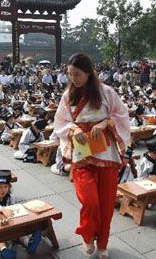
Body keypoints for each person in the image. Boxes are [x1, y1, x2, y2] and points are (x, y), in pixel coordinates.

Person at [53, 54, 130, 258]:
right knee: (90, 201)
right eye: (69, 74)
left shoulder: (106, 92)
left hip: (105, 150)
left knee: (106, 204)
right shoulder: (68, 95)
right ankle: (88, 236)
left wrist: (105, 122)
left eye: (77, 74)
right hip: (82, 149)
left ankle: (103, 242)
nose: (73, 79)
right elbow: (60, 121)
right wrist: (73, 129)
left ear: (89, 72)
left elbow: (121, 115)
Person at [0, 170, 41, 259]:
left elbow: (14, 208)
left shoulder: (10, 197)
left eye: (6, 186)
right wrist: (3, 209)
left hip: (8, 221)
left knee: (18, 232)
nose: (3, 190)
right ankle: (4, 250)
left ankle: (29, 242)